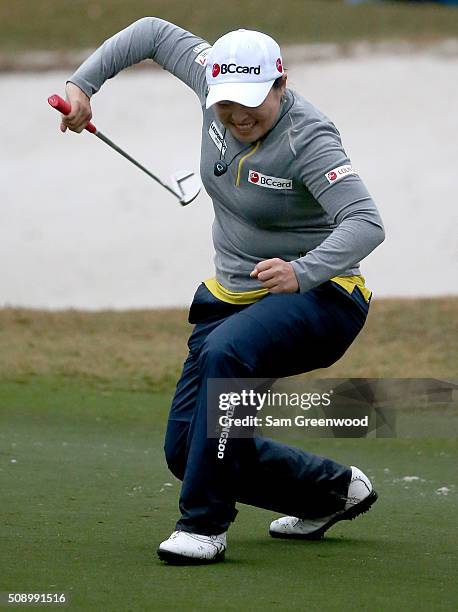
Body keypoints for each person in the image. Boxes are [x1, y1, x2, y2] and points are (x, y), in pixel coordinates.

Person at [60, 18, 385, 565]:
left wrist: (303, 271)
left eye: (253, 102)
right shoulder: (211, 77)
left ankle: (203, 526)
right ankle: (329, 491)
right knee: (187, 449)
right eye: (226, 104)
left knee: (225, 351)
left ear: (281, 85)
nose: (238, 116)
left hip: (323, 297)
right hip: (235, 295)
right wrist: (80, 87)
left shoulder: (311, 137)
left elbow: (366, 223)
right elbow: (150, 33)